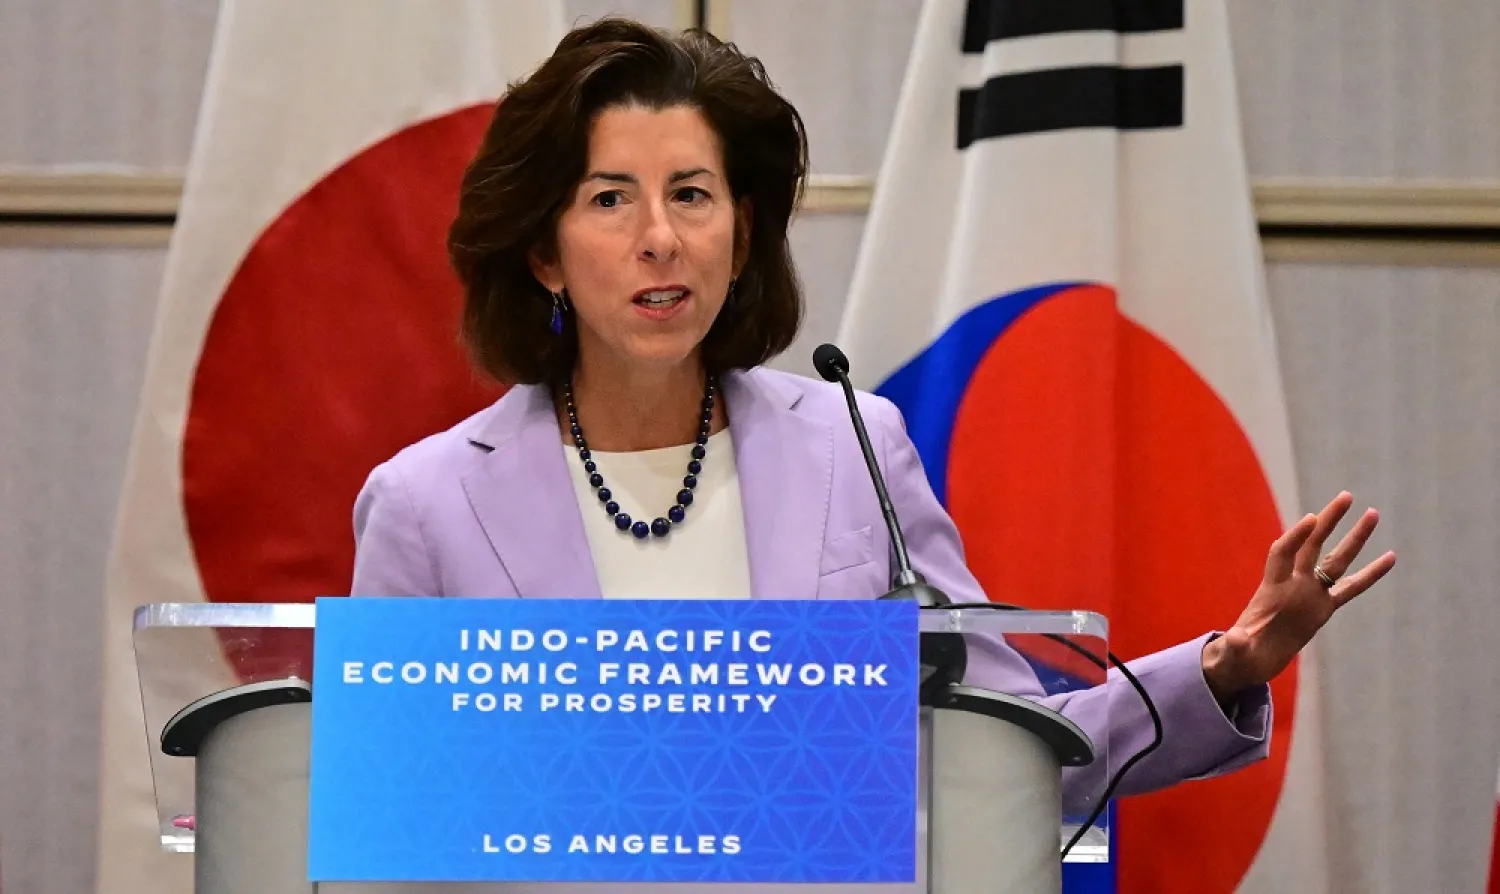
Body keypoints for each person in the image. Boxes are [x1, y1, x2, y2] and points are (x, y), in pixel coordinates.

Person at [349, 17, 1396, 817]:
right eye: (611, 198)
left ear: (742, 233)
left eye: (693, 194)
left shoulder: (852, 447)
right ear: (544, 252)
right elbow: (392, 823)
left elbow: (1005, 753)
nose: (659, 237)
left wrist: (1220, 667)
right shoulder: (427, 506)